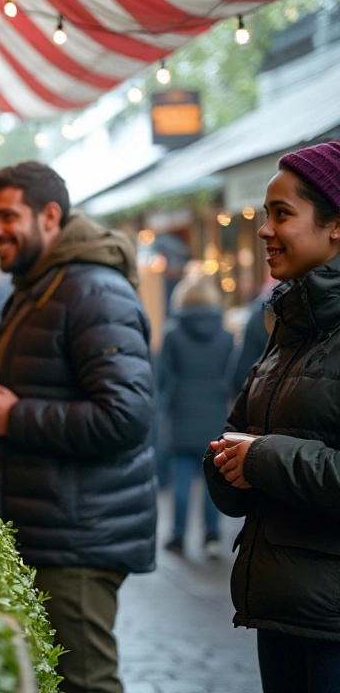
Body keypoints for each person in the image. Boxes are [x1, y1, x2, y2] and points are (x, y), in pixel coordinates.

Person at [0, 161, 155, 693]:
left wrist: (14, 415)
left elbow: (126, 416)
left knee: (84, 682)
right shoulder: (41, 287)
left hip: (78, 541)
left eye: (7, 216)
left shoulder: (94, 291)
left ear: (50, 216)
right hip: (48, 528)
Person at [206, 141, 340, 693]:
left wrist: (263, 458)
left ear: (336, 226)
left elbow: (267, 452)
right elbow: (242, 435)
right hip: (282, 611)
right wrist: (227, 462)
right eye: (266, 213)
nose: (264, 230)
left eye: (282, 214)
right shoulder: (288, 323)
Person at [156, 274, 232, 559]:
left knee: (182, 480)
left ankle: (177, 536)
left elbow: (162, 377)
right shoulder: (225, 337)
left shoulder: (172, 334)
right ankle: (212, 537)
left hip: (181, 414)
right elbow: (232, 378)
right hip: (214, 415)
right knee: (214, 481)